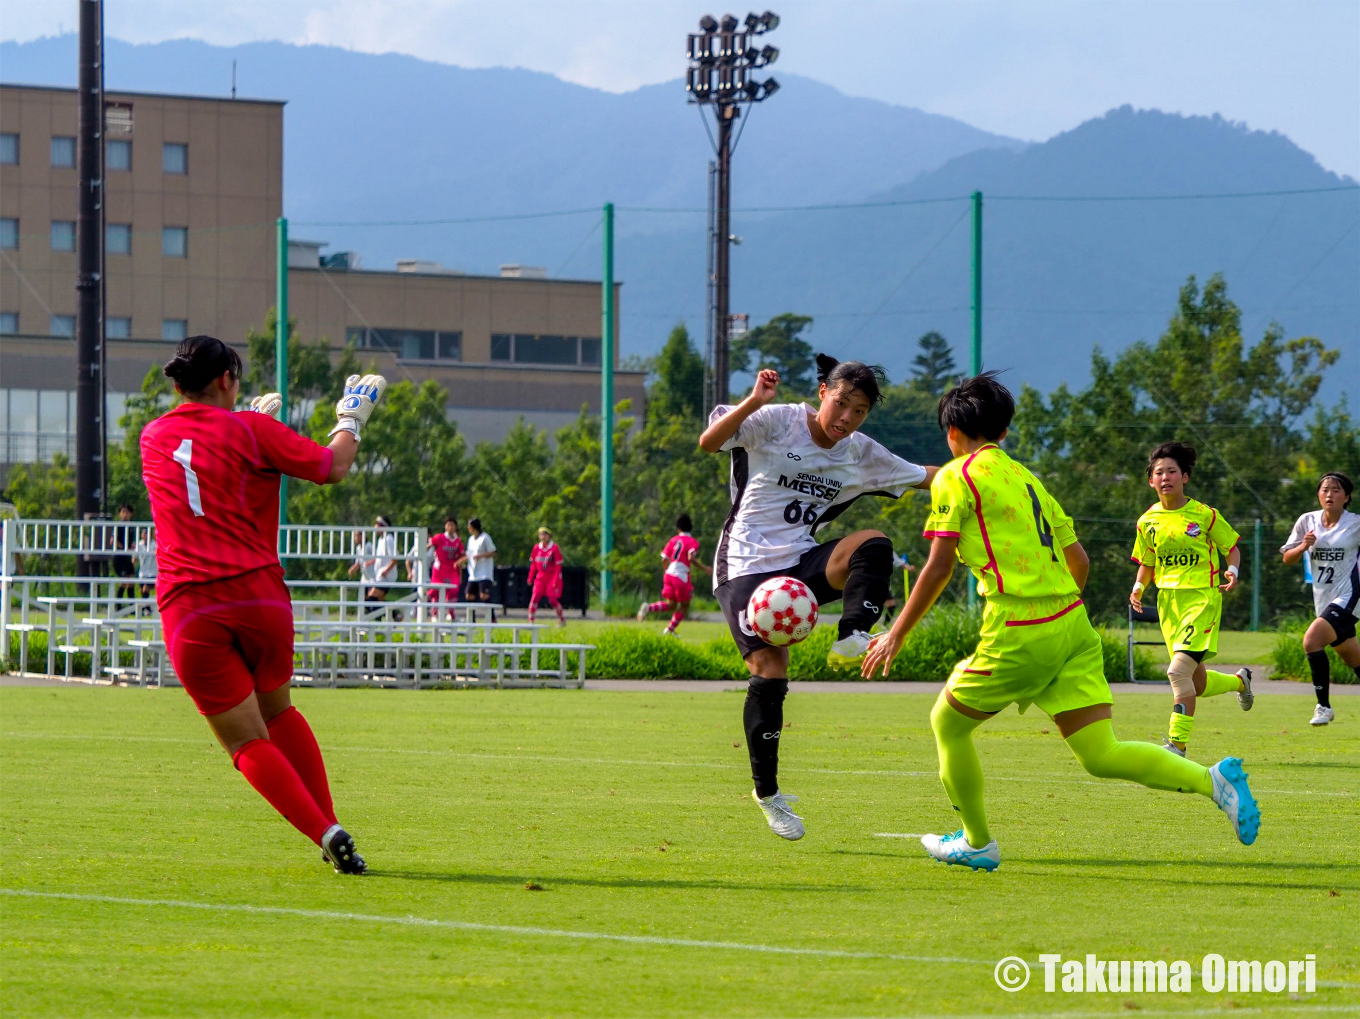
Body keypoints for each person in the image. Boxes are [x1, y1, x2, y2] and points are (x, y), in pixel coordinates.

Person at [861, 372, 1260, 871]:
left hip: (1020, 627)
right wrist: (1059, 614)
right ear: (1004, 432)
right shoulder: (1029, 479)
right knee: (1100, 753)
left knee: (947, 723)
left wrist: (896, 632)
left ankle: (977, 842)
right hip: (1072, 623)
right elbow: (1081, 561)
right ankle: (1212, 780)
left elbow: (939, 565)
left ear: (951, 434)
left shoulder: (954, 477)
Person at [140, 334, 386, 875]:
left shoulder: (153, 436)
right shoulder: (251, 430)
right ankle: (329, 827)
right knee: (278, 711)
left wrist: (249, 424)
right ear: (227, 379)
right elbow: (332, 466)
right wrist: (352, 417)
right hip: (260, 598)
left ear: (178, 383)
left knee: (245, 741)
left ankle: (325, 831)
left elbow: (209, 478)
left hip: (190, 606)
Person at [699, 355, 938, 840]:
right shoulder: (776, 419)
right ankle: (767, 793)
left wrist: (984, 472)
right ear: (824, 393)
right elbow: (709, 442)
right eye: (842, 403)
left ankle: (852, 635)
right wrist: (753, 401)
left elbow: (926, 475)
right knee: (771, 669)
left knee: (873, 542)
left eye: (860, 411)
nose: (847, 418)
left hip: (800, 563)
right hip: (745, 565)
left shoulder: (859, 452)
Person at [1129, 441, 1252, 758]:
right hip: (1168, 605)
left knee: (1176, 673)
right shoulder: (1147, 522)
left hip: (1201, 600)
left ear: (1185, 477)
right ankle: (1241, 682)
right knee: (1195, 684)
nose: (1165, 477)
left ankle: (1177, 744)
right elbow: (1148, 561)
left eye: (1172, 471)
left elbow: (1232, 547)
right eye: (1159, 472)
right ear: (1151, 481)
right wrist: (1139, 588)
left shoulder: (1204, 515)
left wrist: (1233, 570)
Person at [1281, 472, 1360, 726]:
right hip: (1323, 600)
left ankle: (1323, 706)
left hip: (1350, 596)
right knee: (1352, 658)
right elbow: (1287, 558)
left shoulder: (1356, 523)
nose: (1329, 494)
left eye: (1336, 490)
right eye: (1325, 489)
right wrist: (1303, 546)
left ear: (1346, 497)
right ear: (1318, 494)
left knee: (1311, 641)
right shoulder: (1307, 521)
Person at [637, 512, 711, 635]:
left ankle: (648, 608)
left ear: (678, 528)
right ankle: (670, 630)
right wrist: (705, 568)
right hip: (680, 576)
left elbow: (664, 559)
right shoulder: (692, 542)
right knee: (685, 605)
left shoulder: (673, 540)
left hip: (669, 574)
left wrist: (667, 571)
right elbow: (690, 558)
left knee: (671, 605)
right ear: (691, 527)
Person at [422, 515, 466, 621]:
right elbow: (430, 544)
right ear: (445, 527)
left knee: (453, 590)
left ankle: (451, 614)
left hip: (451, 570)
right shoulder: (440, 537)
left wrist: (460, 574)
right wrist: (424, 550)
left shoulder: (457, 542)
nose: (450, 527)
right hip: (439, 569)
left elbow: (461, 557)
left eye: (452, 525)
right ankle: (434, 614)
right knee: (436, 591)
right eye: (448, 525)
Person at [526, 527, 566, 627]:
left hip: (552, 577)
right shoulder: (536, 548)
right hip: (540, 577)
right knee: (535, 596)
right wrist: (530, 577)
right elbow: (534, 565)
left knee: (552, 599)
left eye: (545, 534)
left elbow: (558, 566)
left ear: (549, 536)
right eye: (541, 534)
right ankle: (531, 620)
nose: (543, 537)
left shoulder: (554, 548)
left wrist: (556, 579)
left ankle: (561, 619)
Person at [465, 517, 497, 621]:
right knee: (469, 595)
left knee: (484, 595)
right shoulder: (470, 540)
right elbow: (469, 554)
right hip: (473, 573)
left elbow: (492, 552)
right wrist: (460, 561)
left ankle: (492, 618)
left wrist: (480, 556)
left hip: (484, 572)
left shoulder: (485, 538)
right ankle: (471, 619)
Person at [112, 503, 139, 602]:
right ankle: (118, 606)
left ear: (131, 514)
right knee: (124, 581)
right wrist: (123, 548)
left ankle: (131, 606)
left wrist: (132, 546)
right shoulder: (118, 525)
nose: (125, 514)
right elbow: (113, 540)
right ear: (119, 514)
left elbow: (131, 540)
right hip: (119, 557)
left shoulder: (131, 526)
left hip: (127, 556)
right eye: (123, 512)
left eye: (127, 512)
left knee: (131, 579)